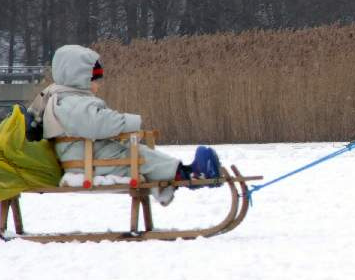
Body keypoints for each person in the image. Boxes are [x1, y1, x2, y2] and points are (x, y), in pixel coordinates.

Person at [29, 44, 221, 206]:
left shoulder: (67, 98)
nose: (99, 84)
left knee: (136, 153)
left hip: (90, 153)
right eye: (95, 79)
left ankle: (180, 173)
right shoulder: (70, 103)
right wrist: (130, 122)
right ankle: (188, 175)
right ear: (79, 78)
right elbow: (97, 123)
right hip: (86, 160)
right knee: (138, 157)